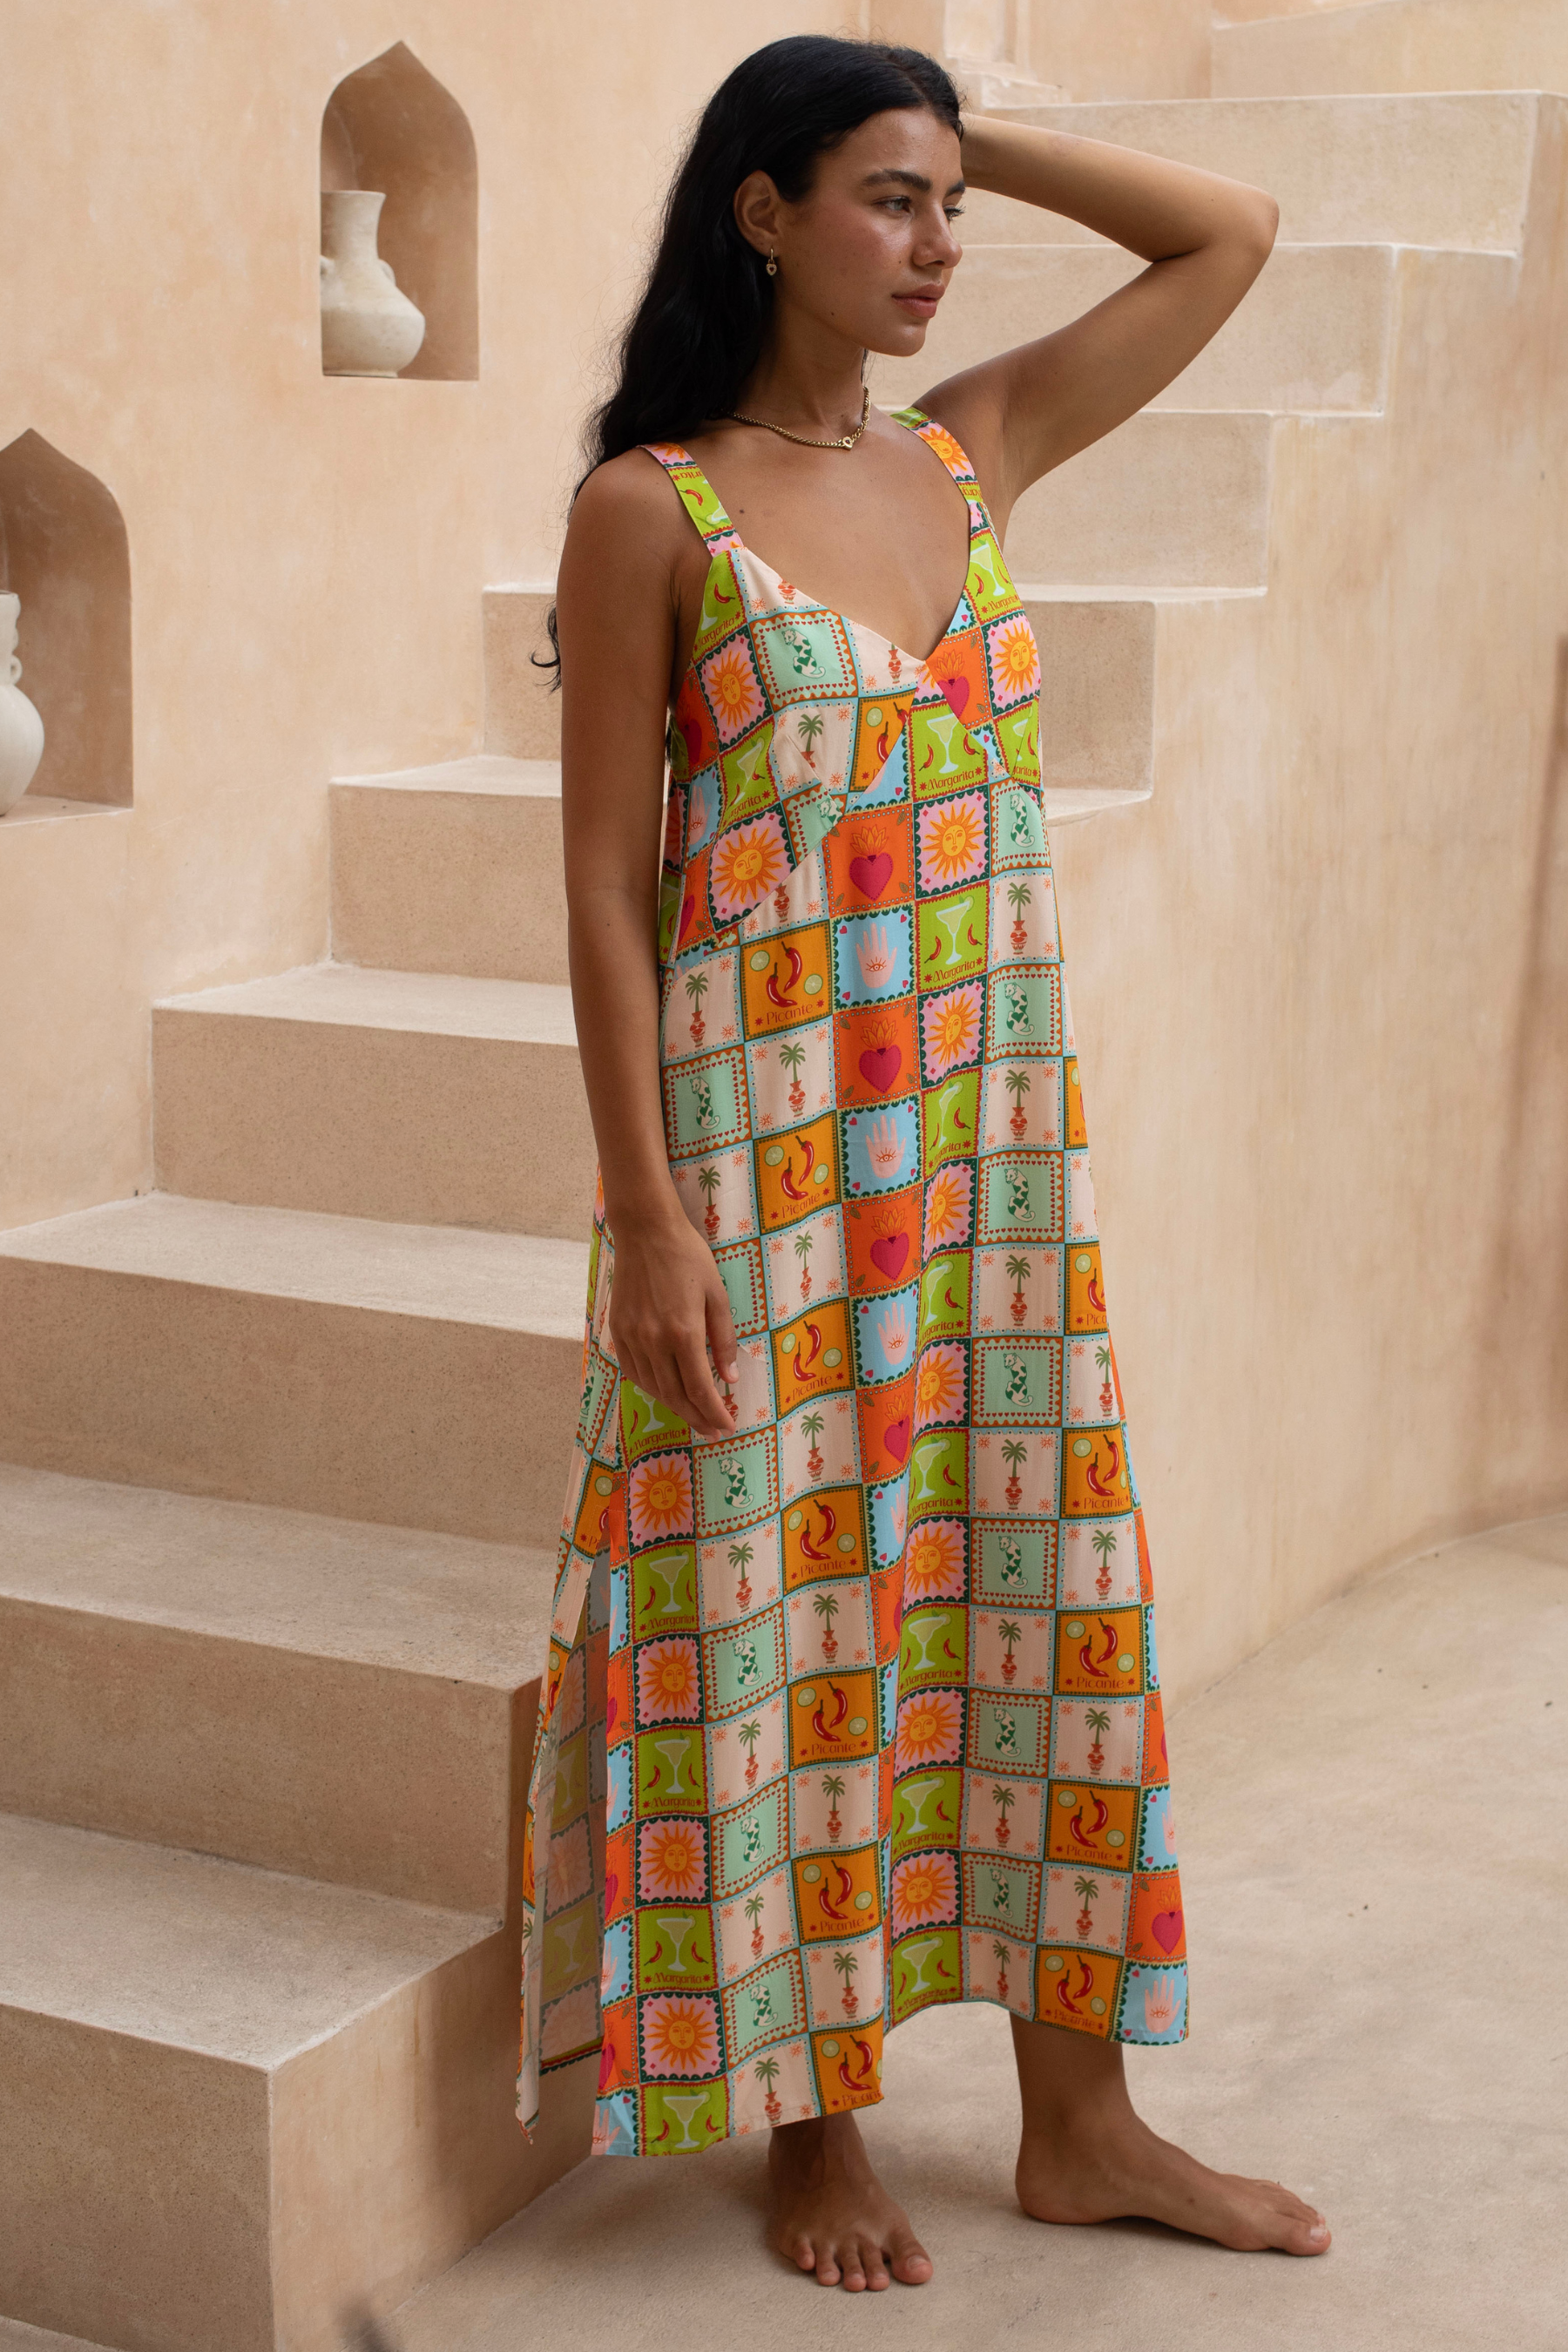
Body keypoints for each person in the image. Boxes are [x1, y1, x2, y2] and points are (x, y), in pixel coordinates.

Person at [518, 32, 1329, 2292]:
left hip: (988, 1171)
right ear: (760, 211)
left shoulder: (970, 454)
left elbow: (1231, 236)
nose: (940, 243)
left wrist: (967, 126)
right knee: (788, 1628)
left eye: (948, 203)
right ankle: (818, 2123)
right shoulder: (651, 510)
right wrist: (649, 1214)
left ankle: (1086, 2122)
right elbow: (600, 888)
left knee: (1037, 1598)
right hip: (763, 1176)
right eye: (889, 198)